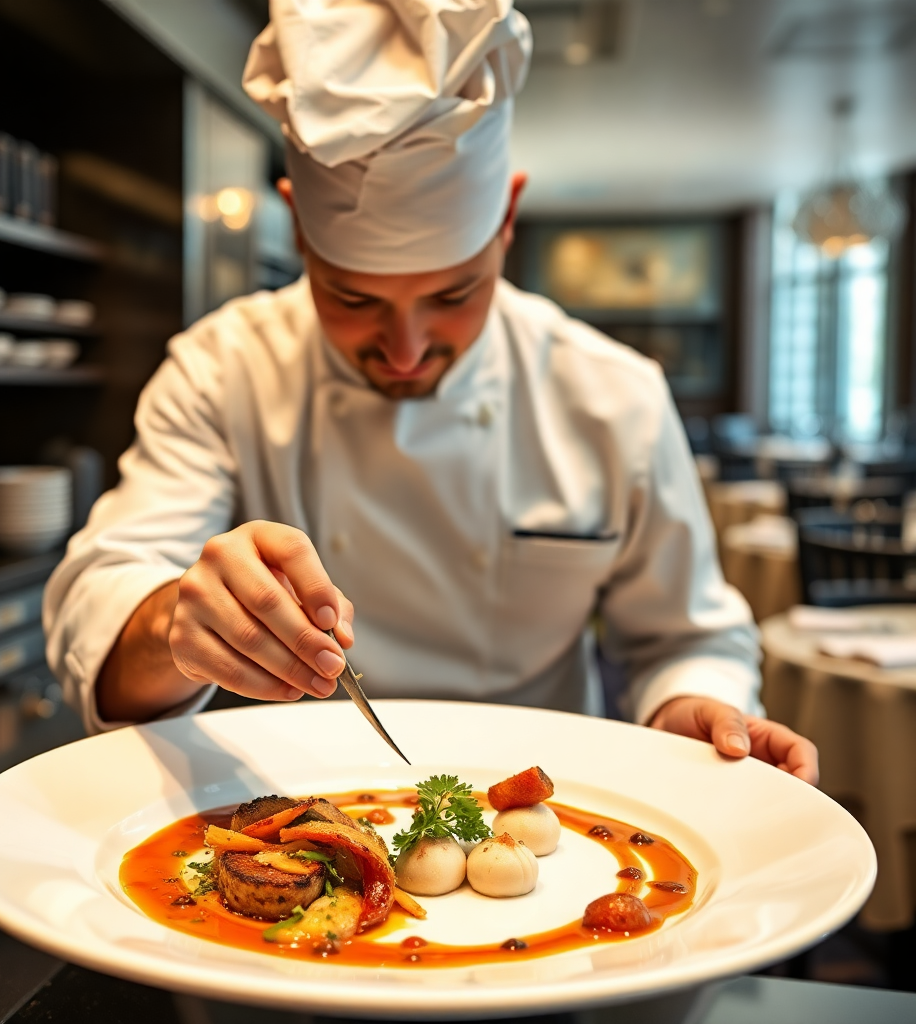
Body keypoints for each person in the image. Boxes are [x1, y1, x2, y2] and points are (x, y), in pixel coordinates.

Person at [44, 0, 817, 784]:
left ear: (507, 219)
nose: (407, 351)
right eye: (353, 300)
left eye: (452, 296)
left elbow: (685, 638)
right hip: (282, 815)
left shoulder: (613, 395)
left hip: (546, 830)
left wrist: (692, 708)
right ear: (298, 232)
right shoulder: (222, 367)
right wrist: (177, 623)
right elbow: (103, 600)